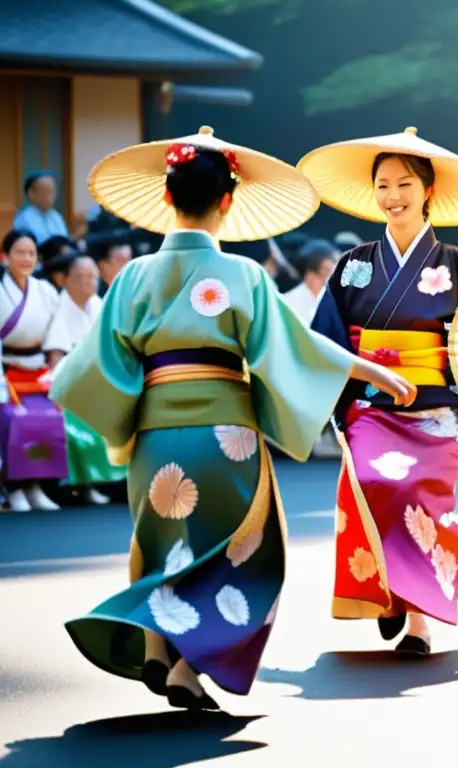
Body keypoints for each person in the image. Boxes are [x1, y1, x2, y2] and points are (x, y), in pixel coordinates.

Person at [49, 126, 416, 711]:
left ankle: (153, 643)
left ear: (167, 198)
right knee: (234, 547)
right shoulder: (245, 276)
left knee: (162, 538)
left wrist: (103, 406)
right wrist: (370, 373)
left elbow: (92, 366)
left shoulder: (133, 276)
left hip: (153, 435)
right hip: (226, 436)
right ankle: (187, 669)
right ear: (228, 201)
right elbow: (295, 348)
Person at [300, 127, 458, 657]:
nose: (393, 196)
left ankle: (420, 622)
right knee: (374, 483)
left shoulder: (457, 265)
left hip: (435, 409)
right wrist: (366, 374)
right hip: (373, 407)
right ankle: (389, 594)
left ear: (428, 191)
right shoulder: (353, 266)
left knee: (423, 503)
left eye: (404, 185)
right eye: (383, 186)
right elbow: (323, 340)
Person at [46, 255, 124, 504]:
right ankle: (86, 483)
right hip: (69, 382)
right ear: (65, 280)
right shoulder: (59, 308)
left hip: (98, 379)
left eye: (93, 277)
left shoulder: (98, 305)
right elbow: (56, 359)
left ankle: (117, 483)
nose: (89, 282)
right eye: (82, 277)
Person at [0, 229, 65, 511]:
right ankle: (12, 487)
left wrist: (55, 370)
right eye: (20, 252)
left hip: (37, 372)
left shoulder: (46, 291)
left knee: (46, 416)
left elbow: (57, 333)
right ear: (5, 256)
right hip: (6, 372)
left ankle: (36, 486)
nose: (27, 258)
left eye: (32, 253)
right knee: (10, 418)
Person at [281, 239, 339, 324]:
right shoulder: (289, 300)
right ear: (322, 263)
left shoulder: (335, 298)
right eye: (332, 261)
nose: (334, 266)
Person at [13, 172, 69, 244]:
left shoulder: (56, 216)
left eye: (53, 191)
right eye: (47, 191)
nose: (52, 195)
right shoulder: (24, 218)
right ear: (31, 194)